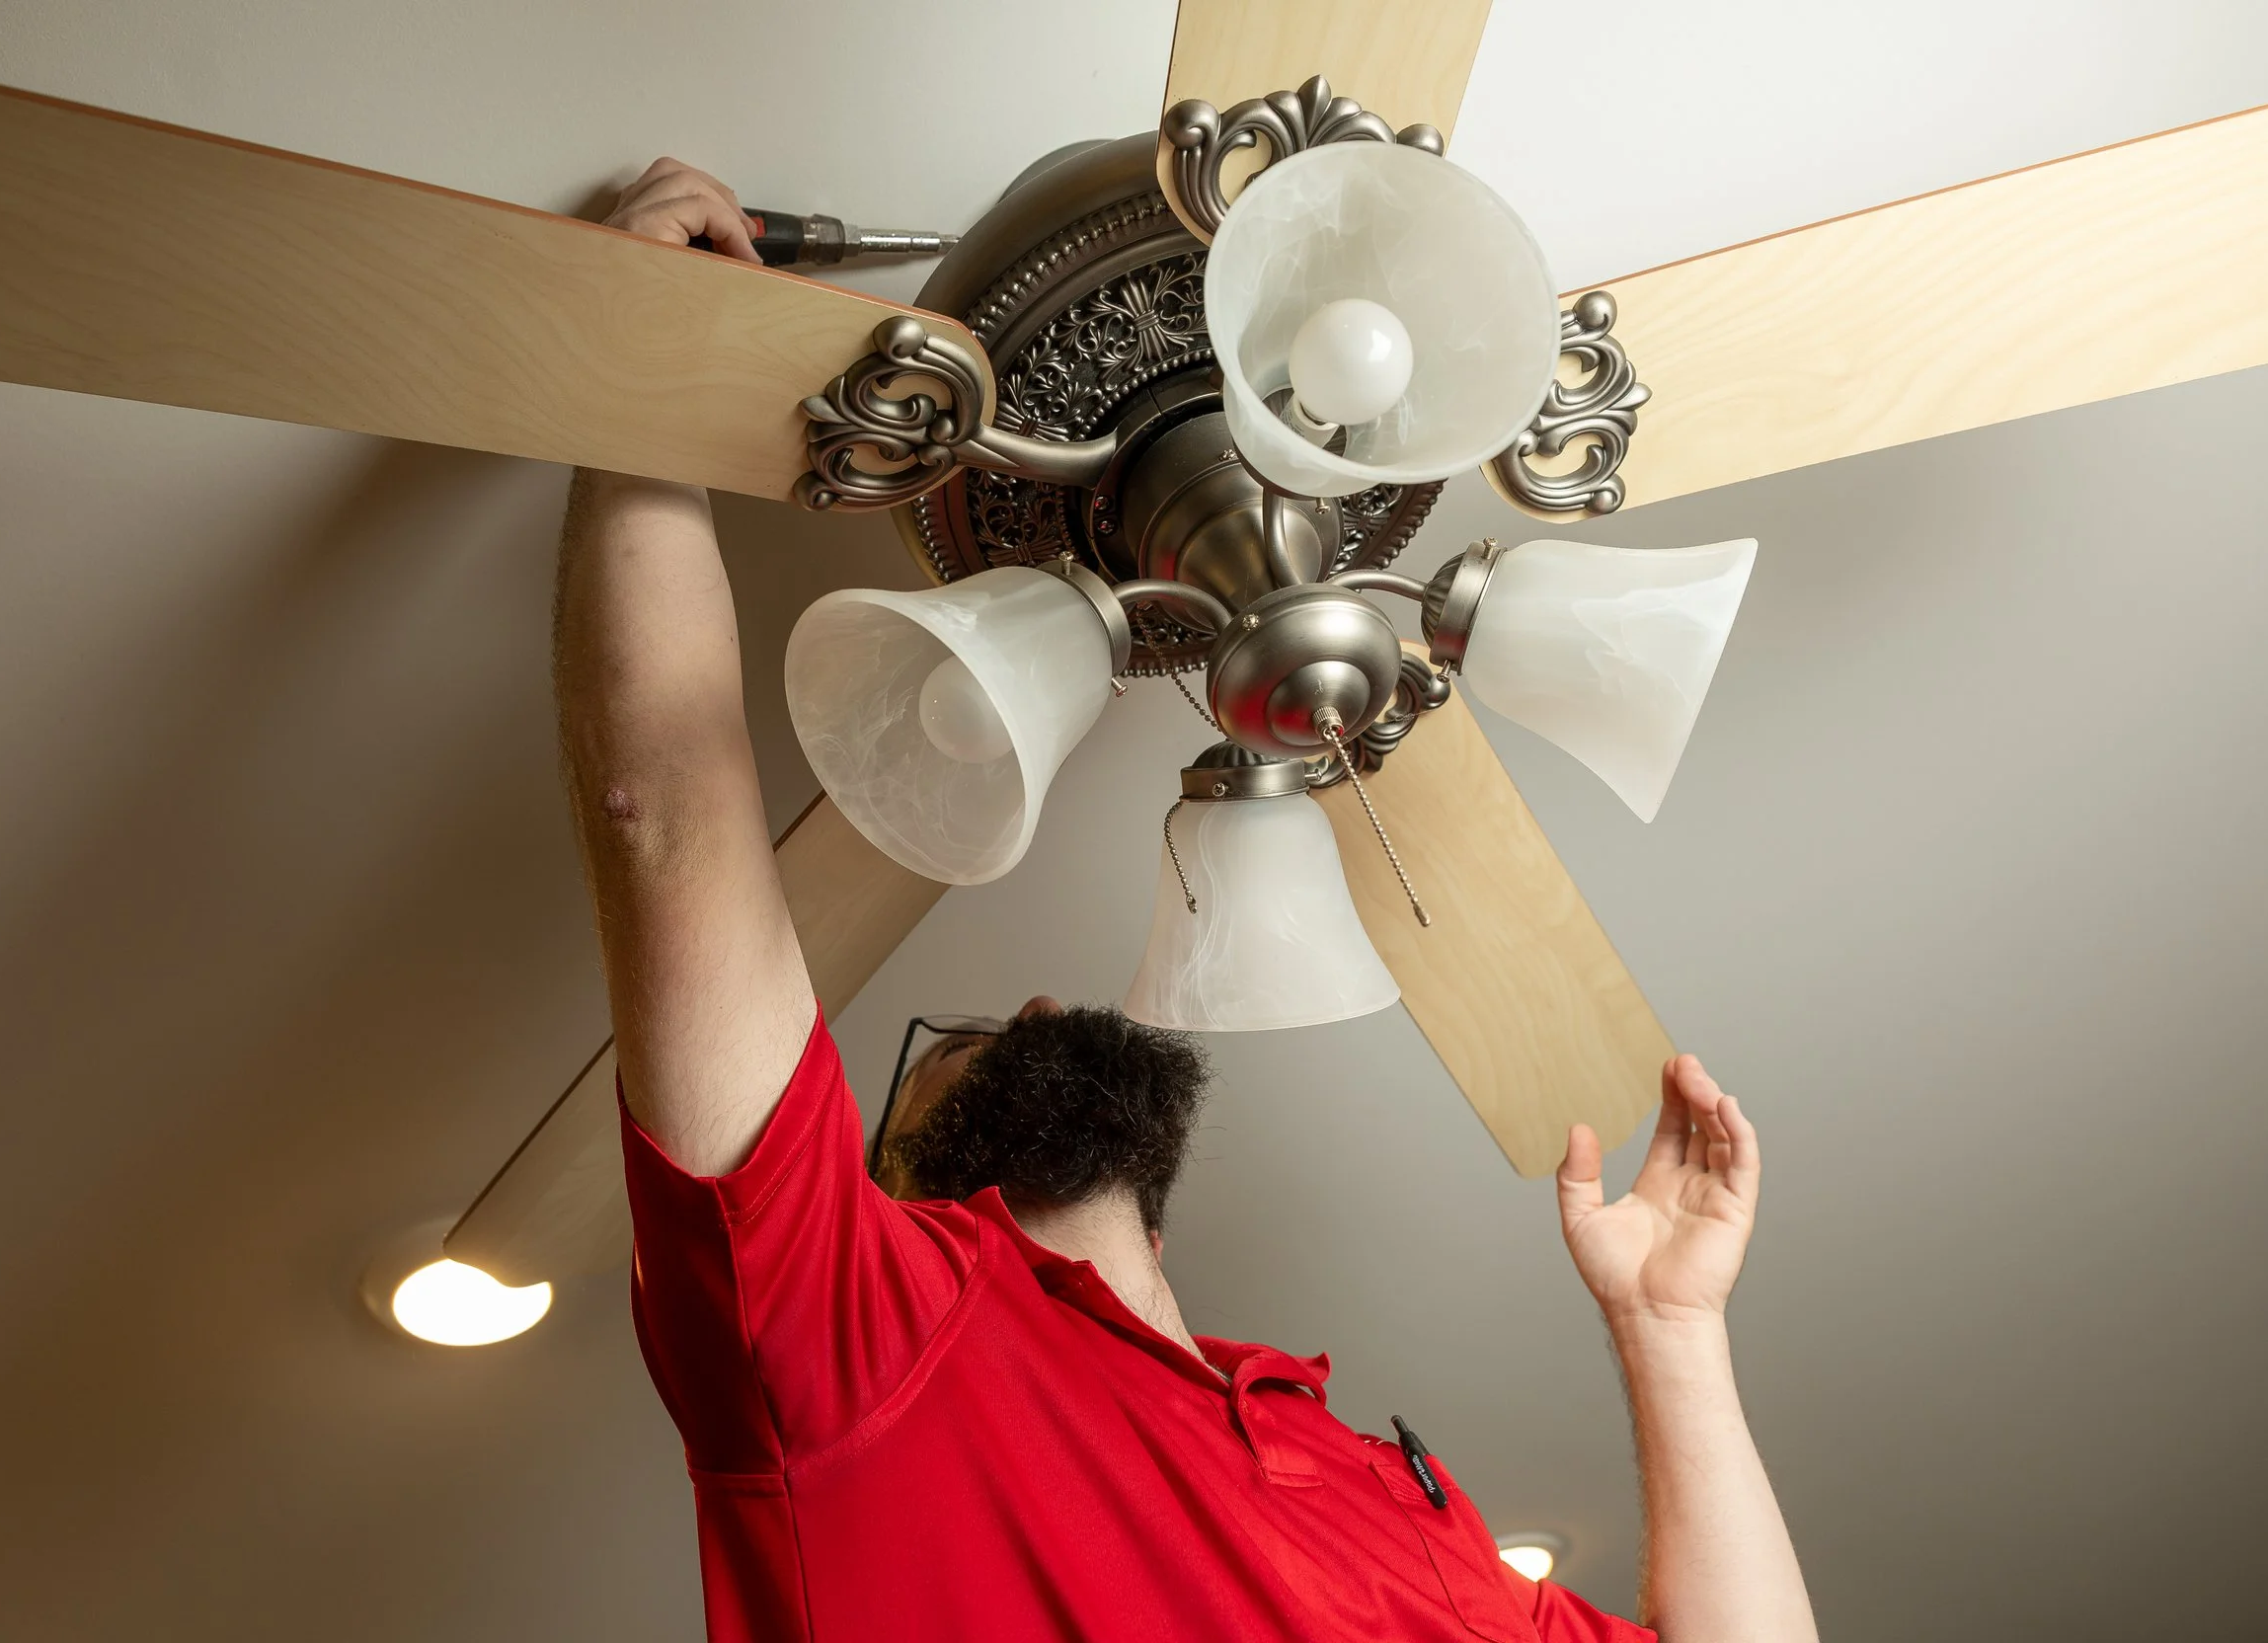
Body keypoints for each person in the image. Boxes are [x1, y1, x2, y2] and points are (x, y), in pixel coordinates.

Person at [558, 157, 1821, 1643]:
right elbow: (668, 824)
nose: (1033, 1007)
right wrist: (638, 368)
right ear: (883, 1197)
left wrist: (1669, 1328)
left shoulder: (1383, 1493)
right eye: (943, 1052)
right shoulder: (861, 1343)